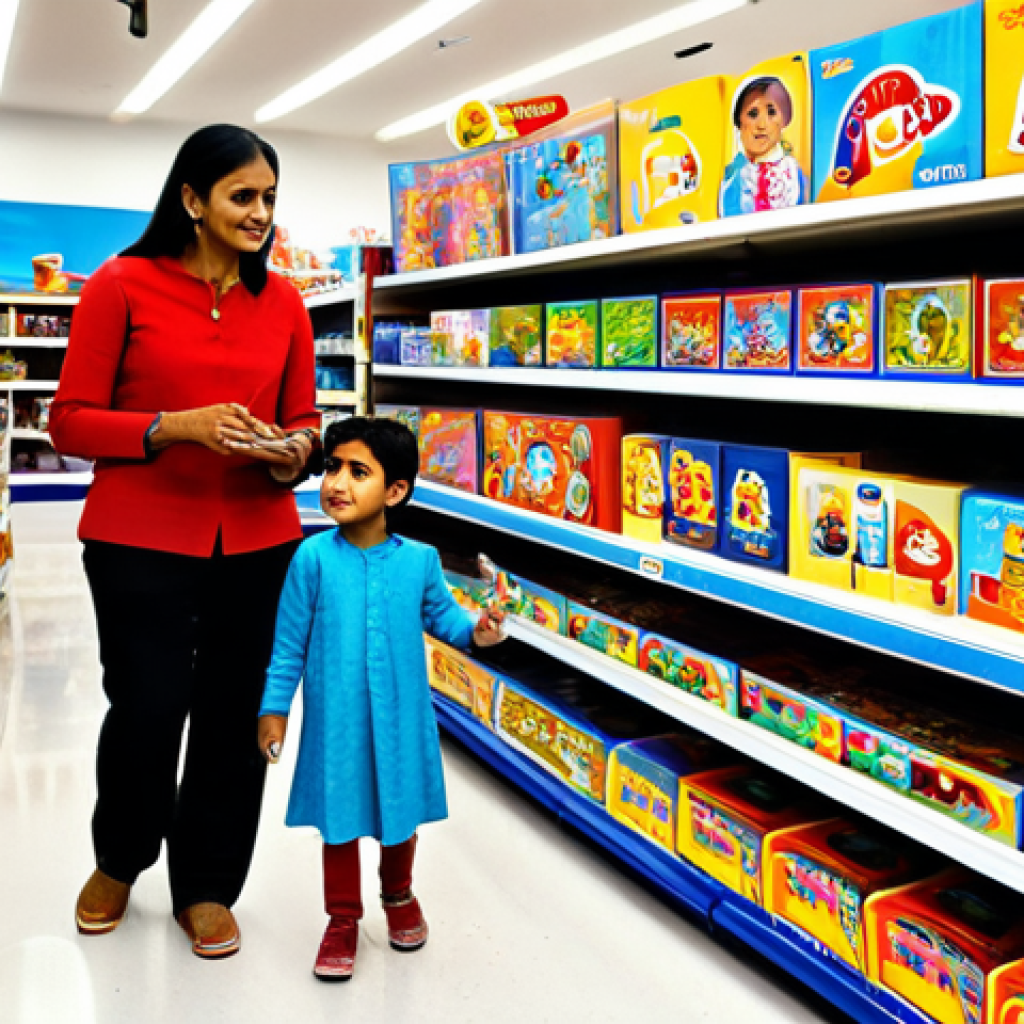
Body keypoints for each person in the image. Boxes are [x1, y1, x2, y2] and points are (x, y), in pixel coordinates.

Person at [49, 124, 320, 959]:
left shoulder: (284, 305)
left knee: (237, 715)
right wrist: (174, 427)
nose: (261, 213)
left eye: (270, 198)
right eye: (243, 195)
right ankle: (120, 860)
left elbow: (307, 421)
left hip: (258, 542)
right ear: (192, 200)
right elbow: (68, 423)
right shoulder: (122, 287)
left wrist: (292, 453)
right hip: (139, 539)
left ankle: (206, 885)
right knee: (147, 704)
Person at [257, 417, 505, 982]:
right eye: (331, 468)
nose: (336, 483)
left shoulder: (420, 560)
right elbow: (288, 644)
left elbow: (449, 621)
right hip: (335, 722)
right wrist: (273, 710)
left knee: (400, 810)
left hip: (402, 718)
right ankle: (342, 916)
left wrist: (481, 630)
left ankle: (398, 893)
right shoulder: (311, 558)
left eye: (357, 472)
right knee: (337, 817)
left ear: (396, 491)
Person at [719, 76, 807, 217]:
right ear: (739, 122)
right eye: (753, 114)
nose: (762, 125)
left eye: (771, 112)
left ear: (784, 120)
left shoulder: (793, 170)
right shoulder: (733, 175)